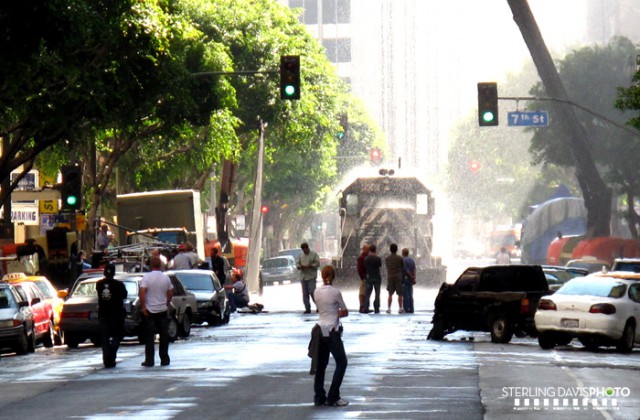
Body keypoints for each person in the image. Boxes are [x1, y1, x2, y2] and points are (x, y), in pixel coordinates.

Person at [309, 265, 349, 407]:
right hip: (332, 329)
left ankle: (319, 396)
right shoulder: (335, 292)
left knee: (321, 364)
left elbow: (320, 309)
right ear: (334, 276)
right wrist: (336, 313)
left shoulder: (316, 292)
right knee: (342, 362)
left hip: (321, 329)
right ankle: (333, 396)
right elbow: (344, 311)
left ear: (321, 275)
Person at [139, 255, 174, 367]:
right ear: (160, 265)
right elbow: (170, 292)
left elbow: (142, 292)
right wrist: (166, 303)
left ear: (150, 265)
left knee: (149, 337)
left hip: (150, 311)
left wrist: (144, 306)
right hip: (162, 310)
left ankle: (149, 360)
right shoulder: (165, 278)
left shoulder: (147, 277)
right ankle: (164, 359)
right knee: (164, 336)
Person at [96, 263, 128, 368]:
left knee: (105, 337)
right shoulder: (119, 285)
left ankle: (107, 359)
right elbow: (124, 295)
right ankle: (112, 353)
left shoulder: (99, 284)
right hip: (116, 314)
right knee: (118, 334)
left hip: (104, 314)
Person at [296, 242, 320, 314]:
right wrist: (300, 267)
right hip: (303, 277)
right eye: (303, 250)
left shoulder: (314, 254)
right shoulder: (301, 256)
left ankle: (319, 306)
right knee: (305, 294)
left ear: (307, 248)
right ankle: (307, 308)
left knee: (312, 292)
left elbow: (317, 263)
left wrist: (311, 266)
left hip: (311, 276)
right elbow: (297, 264)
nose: (304, 251)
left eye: (305, 249)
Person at [362, 244, 382, 313]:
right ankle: (376, 307)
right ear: (375, 250)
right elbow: (380, 265)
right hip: (377, 277)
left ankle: (366, 307)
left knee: (368, 294)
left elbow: (364, 266)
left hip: (369, 277)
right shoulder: (378, 258)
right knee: (377, 294)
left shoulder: (366, 259)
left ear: (369, 250)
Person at [385, 243, 405, 314]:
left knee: (390, 293)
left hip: (390, 276)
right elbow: (403, 267)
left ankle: (389, 308)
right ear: (397, 249)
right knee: (400, 293)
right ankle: (400, 308)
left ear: (390, 250)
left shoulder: (387, 258)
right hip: (398, 276)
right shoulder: (400, 258)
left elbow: (387, 266)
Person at [402, 248, 416, 313]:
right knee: (410, 294)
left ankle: (406, 308)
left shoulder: (403, 260)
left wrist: (410, 276)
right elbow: (414, 270)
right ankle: (411, 308)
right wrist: (414, 278)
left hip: (405, 279)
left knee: (405, 295)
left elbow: (405, 270)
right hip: (411, 280)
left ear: (403, 253)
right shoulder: (412, 260)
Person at [356, 243, 370, 313]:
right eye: (367, 249)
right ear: (364, 249)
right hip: (364, 277)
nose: (368, 251)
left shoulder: (366, 257)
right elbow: (359, 269)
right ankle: (362, 306)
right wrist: (363, 277)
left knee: (365, 292)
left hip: (366, 277)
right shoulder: (361, 258)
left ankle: (365, 306)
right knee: (362, 292)